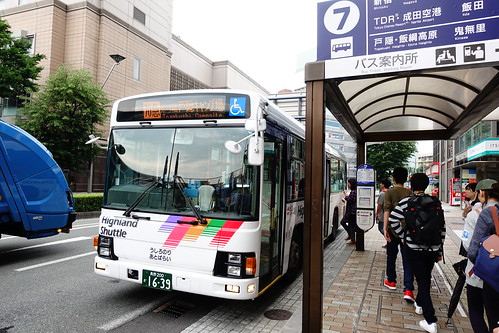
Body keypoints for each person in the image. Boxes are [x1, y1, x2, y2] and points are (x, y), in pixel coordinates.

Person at [388, 173, 446, 333]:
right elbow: (442, 227)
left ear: (411, 186)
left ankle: (430, 320)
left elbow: (393, 220)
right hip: (432, 249)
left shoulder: (407, 202)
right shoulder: (435, 202)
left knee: (423, 282)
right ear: (426, 186)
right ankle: (420, 304)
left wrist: (403, 236)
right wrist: (439, 249)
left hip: (413, 248)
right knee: (424, 277)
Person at [467, 179, 499, 333]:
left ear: (482, 193)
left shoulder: (487, 213)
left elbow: (472, 250)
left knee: (477, 311)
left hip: (487, 275)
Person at [461, 179, 492, 333]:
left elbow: (468, 245)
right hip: (497, 274)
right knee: (494, 315)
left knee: (476, 311)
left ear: (481, 194)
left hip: (478, 272)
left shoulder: (475, 214)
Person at [383, 167, 415, 303]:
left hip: (392, 229)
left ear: (393, 179)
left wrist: (385, 228)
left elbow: (387, 211)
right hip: (406, 230)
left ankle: (391, 281)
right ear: (406, 178)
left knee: (391, 256)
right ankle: (408, 288)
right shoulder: (410, 193)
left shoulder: (389, 192)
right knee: (407, 258)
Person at [340, 178, 357, 245]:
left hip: (352, 212)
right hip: (352, 211)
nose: (348, 185)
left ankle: (352, 237)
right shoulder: (354, 191)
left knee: (343, 222)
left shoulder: (353, 192)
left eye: (348, 183)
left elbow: (350, 199)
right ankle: (352, 237)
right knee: (350, 225)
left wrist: (345, 195)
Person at [376, 178, 391, 248]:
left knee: (381, 228)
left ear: (384, 185)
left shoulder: (382, 194)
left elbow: (379, 205)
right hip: (390, 214)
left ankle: (389, 239)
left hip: (383, 214)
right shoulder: (390, 192)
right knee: (387, 228)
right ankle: (389, 242)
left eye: (381, 183)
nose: (380, 184)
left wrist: (376, 213)